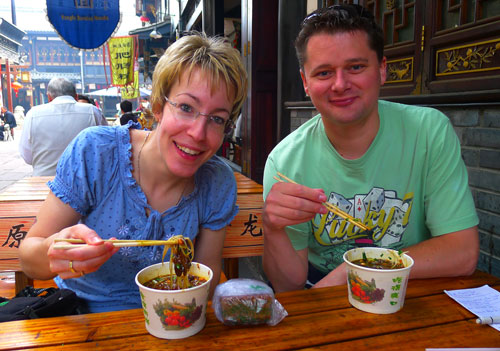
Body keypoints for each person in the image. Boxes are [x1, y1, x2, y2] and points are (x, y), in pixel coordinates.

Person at [19, 32, 248, 313]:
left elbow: (207, 269)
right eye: (186, 107)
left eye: (216, 119)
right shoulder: (96, 153)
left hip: (173, 317)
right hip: (83, 319)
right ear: (158, 107)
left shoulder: (217, 182)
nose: (198, 134)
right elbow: (29, 258)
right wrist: (56, 251)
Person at [262, 4, 479, 293]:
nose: (340, 85)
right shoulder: (285, 162)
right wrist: (273, 229)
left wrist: (351, 272)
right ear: (305, 82)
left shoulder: (428, 132)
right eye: (324, 72)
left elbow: (462, 252)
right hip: (323, 291)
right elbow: (289, 286)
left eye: (356, 67)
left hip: (411, 289)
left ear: (382, 70)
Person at [18, 77, 108, 176]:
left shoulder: (33, 114)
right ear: (76, 96)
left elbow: (27, 156)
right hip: (85, 181)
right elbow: (105, 146)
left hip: (44, 180)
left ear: (49, 97)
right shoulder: (93, 112)